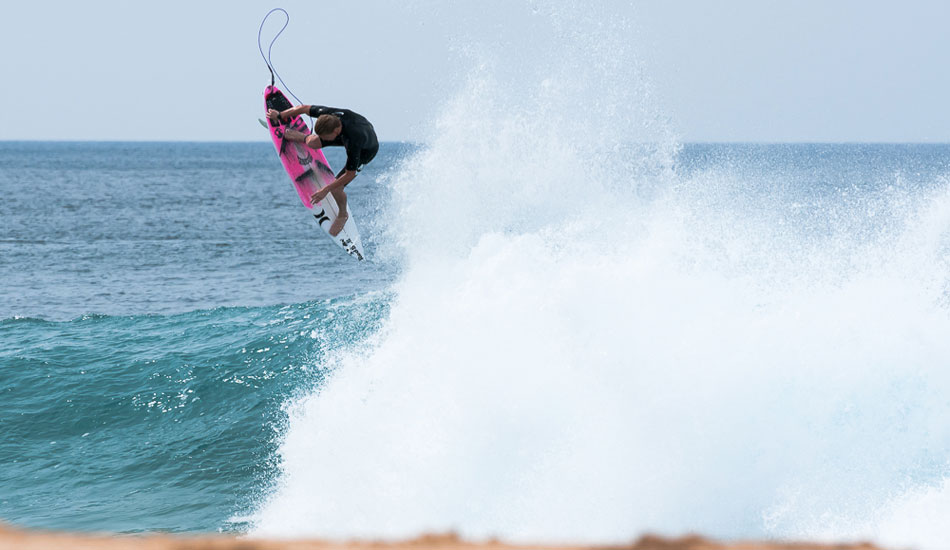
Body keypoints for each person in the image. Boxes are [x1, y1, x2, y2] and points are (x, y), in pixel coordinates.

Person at [267, 104, 378, 236]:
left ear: (335, 132)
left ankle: (343, 214)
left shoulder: (354, 142)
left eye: (325, 137)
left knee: (337, 188)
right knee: (313, 142)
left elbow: (350, 174)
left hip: (366, 150)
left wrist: (326, 189)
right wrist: (280, 115)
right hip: (348, 130)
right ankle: (302, 137)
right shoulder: (329, 116)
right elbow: (304, 108)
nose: (323, 139)